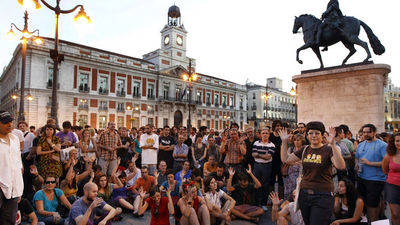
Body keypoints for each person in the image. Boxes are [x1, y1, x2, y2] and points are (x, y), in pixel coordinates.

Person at [279, 121, 346, 225]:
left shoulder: (328, 150)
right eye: (310, 133)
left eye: (317, 133)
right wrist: (284, 142)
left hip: (323, 195)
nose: (313, 136)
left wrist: (332, 144)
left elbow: (341, 166)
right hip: (304, 194)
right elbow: (286, 159)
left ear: (322, 135)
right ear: (307, 135)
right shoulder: (305, 149)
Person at [355, 124, 387, 222]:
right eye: (364, 132)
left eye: (368, 132)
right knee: (363, 204)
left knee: (372, 206)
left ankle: (374, 222)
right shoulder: (361, 145)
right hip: (361, 178)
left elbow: (387, 163)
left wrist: (370, 163)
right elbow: (357, 158)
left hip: (375, 180)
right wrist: (356, 165)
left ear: (374, 132)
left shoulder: (382, 145)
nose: (365, 134)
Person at [0, 111, 24, 225]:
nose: (9, 125)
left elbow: (18, 163)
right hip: (1, 186)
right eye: (5, 122)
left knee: (9, 221)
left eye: (10, 121)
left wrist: (18, 188)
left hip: (13, 188)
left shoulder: (15, 139)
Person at [252, 127, 275, 210]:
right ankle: (256, 203)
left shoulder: (271, 145)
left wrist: (258, 154)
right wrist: (263, 155)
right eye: (263, 133)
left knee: (265, 185)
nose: (264, 135)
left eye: (266, 133)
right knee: (256, 184)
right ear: (260, 135)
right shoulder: (256, 143)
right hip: (257, 165)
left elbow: (268, 157)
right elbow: (253, 154)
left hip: (267, 166)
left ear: (269, 135)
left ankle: (263, 203)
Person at [382, 133, 400, 225]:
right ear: (393, 142)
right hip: (393, 186)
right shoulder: (389, 156)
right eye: (397, 141)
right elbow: (385, 170)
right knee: (395, 214)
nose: (399, 143)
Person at [282, 133, 303, 200]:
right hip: (291, 174)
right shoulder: (291, 149)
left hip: (301, 173)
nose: (296, 142)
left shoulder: (304, 149)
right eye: (295, 140)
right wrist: (296, 163)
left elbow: (303, 162)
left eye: (298, 140)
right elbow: (286, 160)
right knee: (289, 191)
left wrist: (293, 162)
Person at [269, 120, 285, 199]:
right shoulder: (270, 136)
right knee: (271, 180)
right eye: (277, 126)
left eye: (280, 126)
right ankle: (272, 198)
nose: (278, 127)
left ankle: (281, 198)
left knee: (281, 180)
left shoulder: (283, 136)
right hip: (271, 160)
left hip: (281, 161)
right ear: (274, 127)